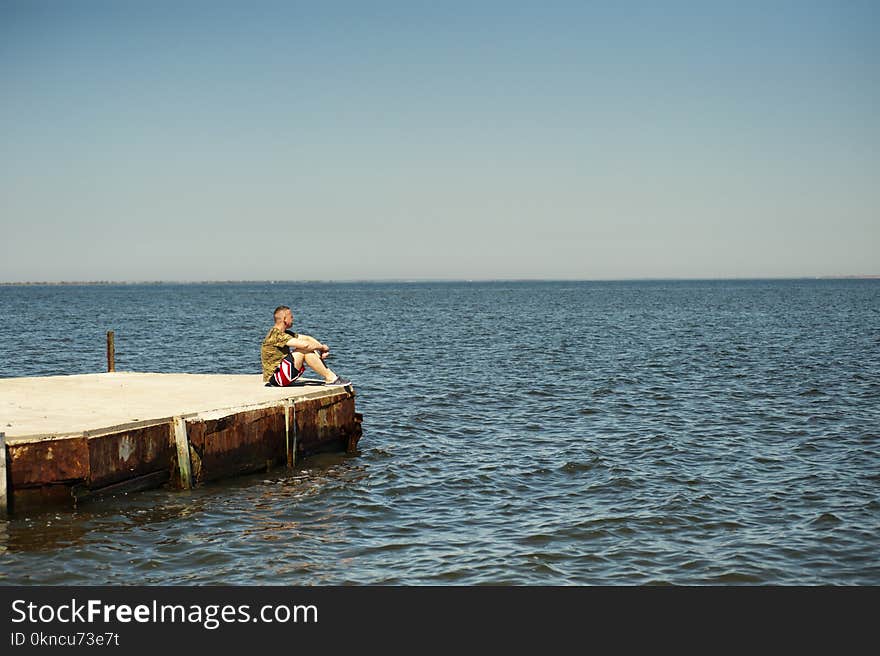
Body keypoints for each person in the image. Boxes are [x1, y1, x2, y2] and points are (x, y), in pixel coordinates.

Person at [261, 305, 350, 387]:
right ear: (285, 319)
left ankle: (332, 377)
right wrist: (322, 348)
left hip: (280, 376)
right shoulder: (276, 335)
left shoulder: (284, 333)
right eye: (291, 317)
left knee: (310, 348)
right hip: (275, 379)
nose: (293, 319)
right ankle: (331, 378)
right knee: (304, 350)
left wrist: (320, 348)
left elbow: (307, 339)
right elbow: (305, 345)